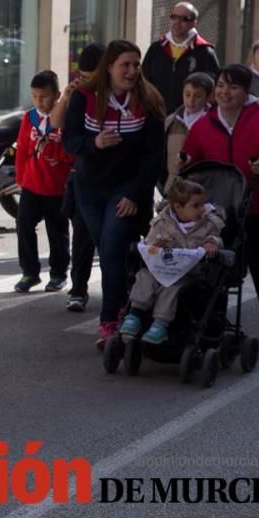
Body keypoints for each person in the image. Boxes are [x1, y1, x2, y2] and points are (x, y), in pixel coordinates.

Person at [63, 40, 166, 349]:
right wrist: (94, 144)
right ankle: (129, 307)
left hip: (127, 189)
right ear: (109, 67)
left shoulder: (148, 101)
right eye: (126, 64)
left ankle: (110, 321)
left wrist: (135, 194)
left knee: (111, 249)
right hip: (91, 188)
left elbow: (153, 158)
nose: (132, 71)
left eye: (136, 65)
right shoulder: (84, 97)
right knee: (110, 251)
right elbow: (69, 141)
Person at [183, 64, 259, 344]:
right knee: (216, 267)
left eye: (232, 87)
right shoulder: (203, 125)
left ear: (246, 92)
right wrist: (182, 163)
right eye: (220, 85)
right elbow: (190, 159)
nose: (224, 92)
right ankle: (213, 320)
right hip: (219, 211)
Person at [119, 179, 223, 344]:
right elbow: (149, 245)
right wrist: (155, 245)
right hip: (160, 267)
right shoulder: (162, 222)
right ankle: (135, 313)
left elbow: (215, 237)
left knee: (172, 287)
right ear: (178, 208)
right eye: (196, 206)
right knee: (144, 277)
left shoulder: (208, 223)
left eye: (202, 204)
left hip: (188, 272)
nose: (202, 209)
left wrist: (212, 243)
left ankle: (160, 323)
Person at [51, 43, 103, 311]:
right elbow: (56, 123)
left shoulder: (116, 95)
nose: (84, 80)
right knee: (81, 236)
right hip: (80, 175)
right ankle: (79, 289)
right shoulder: (78, 94)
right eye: (81, 75)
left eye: (89, 76)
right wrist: (66, 97)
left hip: (111, 178)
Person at [13, 71, 72, 293]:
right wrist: (20, 179)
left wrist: (58, 149)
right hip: (31, 184)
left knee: (57, 231)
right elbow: (22, 151)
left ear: (57, 95)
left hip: (57, 187)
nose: (39, 101)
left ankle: (58, 273)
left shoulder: (64, 118)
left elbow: (72, 153)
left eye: (44, 96)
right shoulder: (30, 118)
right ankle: (30, 272)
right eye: (35, 96)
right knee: (24, 224)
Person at [141, 1, 220, 114]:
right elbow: (144, 80)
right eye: (174, 17)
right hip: (156, 114)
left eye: (184, 19)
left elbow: (213, 87)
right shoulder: (156, 49)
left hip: (189, 118)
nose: (177, 22)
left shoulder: (205, 52)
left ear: (194, 23)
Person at [162, 73, 214, 192]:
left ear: (208, 97)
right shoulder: (172, 121)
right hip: (174, 184)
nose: (191, 100)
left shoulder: (212, 121)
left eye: (198, 96)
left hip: (202, 185)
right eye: (188, 94)